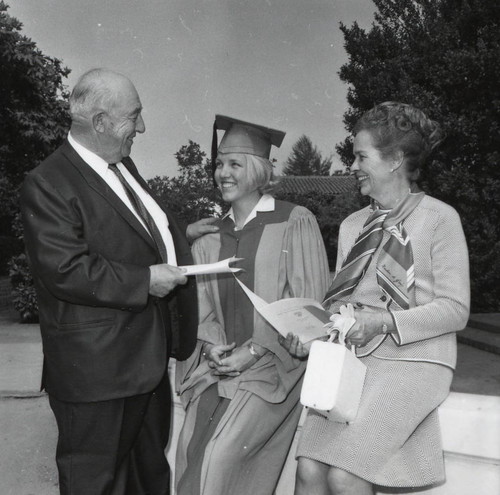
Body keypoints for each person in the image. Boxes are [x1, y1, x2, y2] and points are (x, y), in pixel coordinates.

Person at [20, 68, 217, 495]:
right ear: (101, 123)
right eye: (135, 116)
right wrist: (144, 280)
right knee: (97, 484)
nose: (142, 127)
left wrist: (179, 237)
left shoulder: (121, 165)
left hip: (144, 365)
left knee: (148, 480)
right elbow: (64, 269)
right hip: (97, 374)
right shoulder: (48, 182)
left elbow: (129, 236)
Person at [281, 102, 470, 495]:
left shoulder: (440, 218)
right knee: (309, 472)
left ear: (395, 159)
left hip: (417, 361)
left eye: (360, 156)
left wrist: (383, 322)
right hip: (353, 364)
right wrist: (310, 334)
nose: (352, 165)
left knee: (345, 476)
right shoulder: (353, 226)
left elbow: (456, 309)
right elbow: (339, 306)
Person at [174, 115, 330, 495]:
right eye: (219, 164)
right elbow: (203, 312)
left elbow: (311, 307)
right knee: (189, 451)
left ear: (259, 170)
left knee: (221, 454)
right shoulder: (209, 239)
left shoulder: (294, 221)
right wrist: (211, 349)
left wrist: (256, 350)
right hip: (221, 368)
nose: (222, 173)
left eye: (234, 164)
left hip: (277, 366)